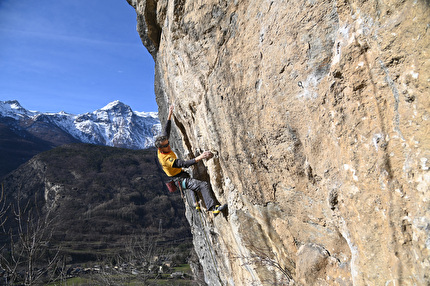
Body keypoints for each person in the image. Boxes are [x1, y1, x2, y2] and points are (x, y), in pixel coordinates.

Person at [155, 105, 227, 216]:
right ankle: (213, 208)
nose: (169, 146)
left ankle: (195, 203)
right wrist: (200, 157)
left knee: (190, 181)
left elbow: (166, 131)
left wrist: (169, 113)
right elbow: (182, 164)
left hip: (180, 176)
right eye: (166, 146)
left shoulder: (162, 147)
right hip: (178, 178)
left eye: (168, 143)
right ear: (160, 148)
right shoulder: (165, 159)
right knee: (203, 185)